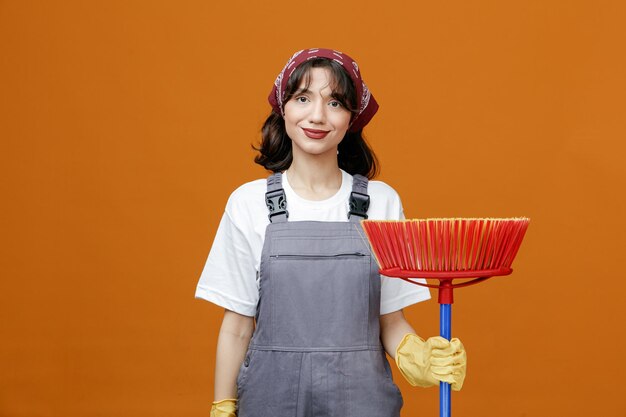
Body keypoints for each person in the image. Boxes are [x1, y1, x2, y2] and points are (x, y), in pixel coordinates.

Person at [195, 48, 467, 417]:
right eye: (303, 98)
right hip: (270, 400)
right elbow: (238, 326)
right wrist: (223, 405)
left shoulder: (381, 203)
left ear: (352, 117)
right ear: (283, 108)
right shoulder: (248, 203)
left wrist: (416, 355)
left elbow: (390, 319)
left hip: (362, 401)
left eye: (335, 102)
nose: (317, 116)